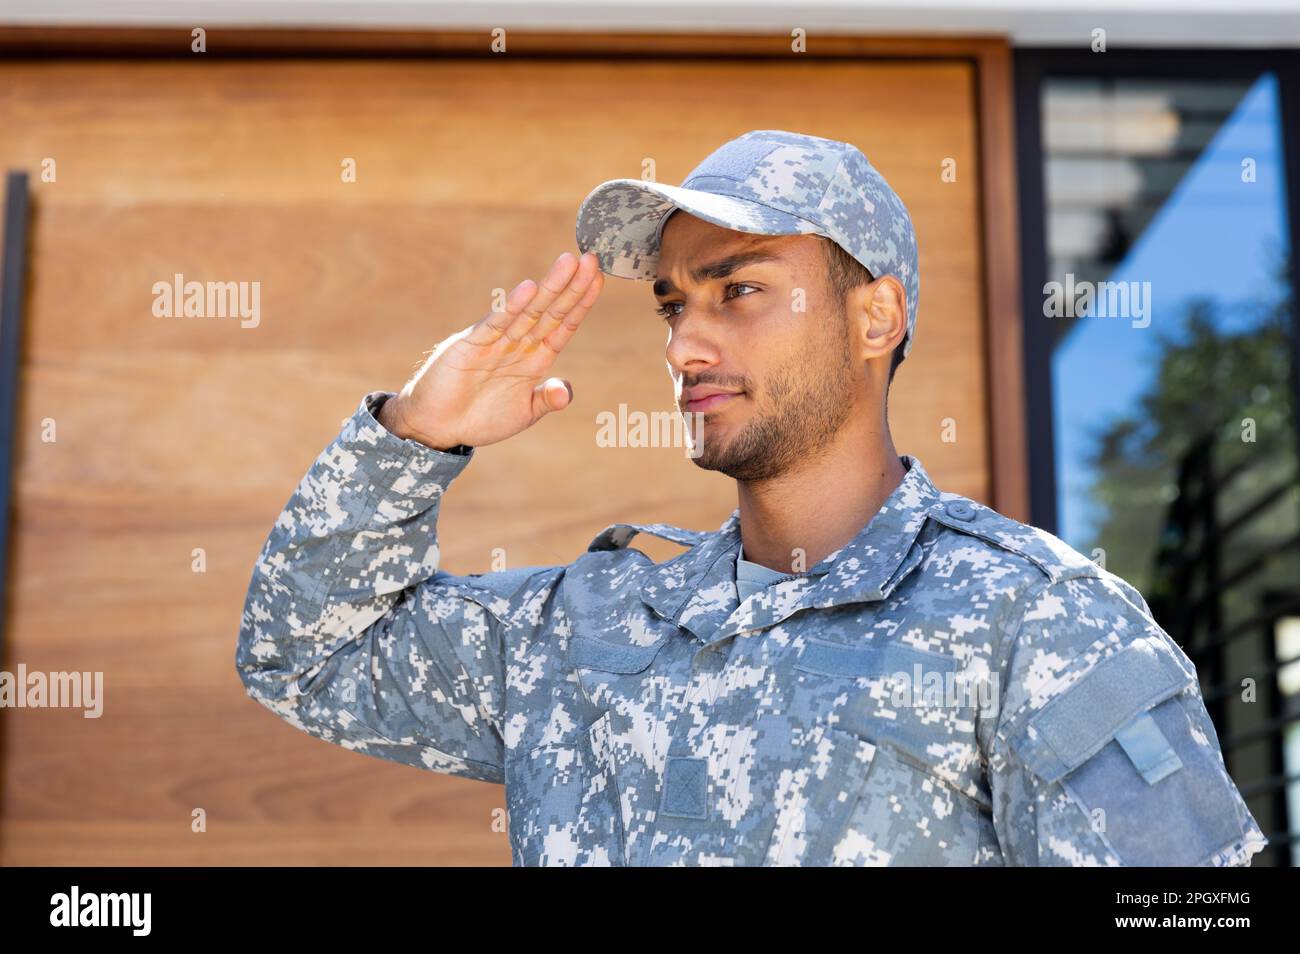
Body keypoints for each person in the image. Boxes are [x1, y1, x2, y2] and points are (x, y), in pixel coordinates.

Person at [236, 129, 1267, 867]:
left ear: (874, 317)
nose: (685, 343)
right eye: (673, 305)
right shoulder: (587, 632)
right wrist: (415, 434)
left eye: (739, 289)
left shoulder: (1035, 622)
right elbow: (308, 654)